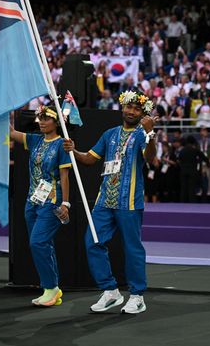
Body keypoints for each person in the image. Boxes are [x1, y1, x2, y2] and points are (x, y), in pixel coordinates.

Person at [63, 90, 157, 314]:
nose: (131, 111)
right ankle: (110, 291)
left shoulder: (143, 134)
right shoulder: (110, 134)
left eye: (137, 109)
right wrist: (73, 150)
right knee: (92, 242)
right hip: (104, 201)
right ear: (122, 108)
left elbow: (151, 159)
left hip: (129, 201)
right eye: (128, 107)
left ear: (143, 113)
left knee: (132, 249)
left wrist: (151, 134)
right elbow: (89, 159)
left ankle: (137, 296)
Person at [10, 106, 71, 307]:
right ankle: (51, 289)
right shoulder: (36, 140)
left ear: (56, 122)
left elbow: (64, 176)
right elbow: (11, 133)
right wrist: (4, 114)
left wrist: (66, 203)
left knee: (37, 242)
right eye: (40, 118)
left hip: (52, 201)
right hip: (32, 201)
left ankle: (51, 287)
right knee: (44, 244)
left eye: (46, 118)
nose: (42, 122)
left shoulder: (62, 144)